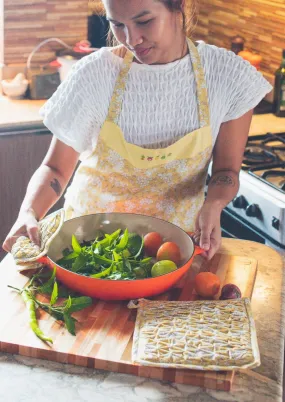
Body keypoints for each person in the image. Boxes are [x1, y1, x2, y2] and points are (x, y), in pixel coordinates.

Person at [3, 0, 272, 260]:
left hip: (175, 251)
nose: (131, 39)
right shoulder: (94, 75)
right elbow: (56, 170)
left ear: (178, 5)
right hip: (89, 249)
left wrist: (214, 205)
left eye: (144, 21)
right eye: (117, 24)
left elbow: (226, 172)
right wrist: (28, 213)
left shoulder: (226, 76)